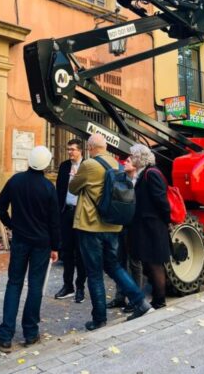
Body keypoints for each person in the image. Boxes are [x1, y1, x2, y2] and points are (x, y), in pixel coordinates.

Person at [69, 133, 154, 331]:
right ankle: (140, 302)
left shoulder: (89, 165)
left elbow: (73, 188)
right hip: (113, 225)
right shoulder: (118, 164)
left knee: (94, 273)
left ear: (90, 148)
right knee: (114, 266)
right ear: (105, 147)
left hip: (91, 226)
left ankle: (99, 318)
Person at [0, 146, 60, 353]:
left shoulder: (15, 181)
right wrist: (56, 247)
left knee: (14, 284)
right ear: (46, 165)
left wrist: (11, 224)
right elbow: (54, 222)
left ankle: (5, 335)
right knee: (35, 286)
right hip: (42, 243)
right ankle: (30, 333)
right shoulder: (48, 188)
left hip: (20, 240)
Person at [127, 143, 171, 310]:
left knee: (155, 264)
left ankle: (160, 300)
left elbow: (161, 200)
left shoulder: (151, 173)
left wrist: (167, 221)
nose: (130, 158)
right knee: (150, 263)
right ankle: (157, 297)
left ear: (139, 158)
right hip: (147, 226)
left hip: (153, 226)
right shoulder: (144, 173)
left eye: (132, 156)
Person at [107, 158, 143, 312]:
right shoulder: (121, 177)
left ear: (136, 164)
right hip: (120, 225)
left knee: (135, 263)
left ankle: (136, 300)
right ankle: (120, 297)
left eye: (128, 160)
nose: (125, 162)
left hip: (135, 227)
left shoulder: (141, 181)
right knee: (120, 261)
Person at [55, 138, 87, 303]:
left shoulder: (87, 166)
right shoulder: (64, 166)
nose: (70, 152)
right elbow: (59, 190)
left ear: (80, 151)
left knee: (80, 252)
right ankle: (68, 286)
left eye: (73, 149)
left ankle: (80, 287)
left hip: (81, 214)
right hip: (66, 212)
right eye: (68, 149)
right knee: (66, 251)